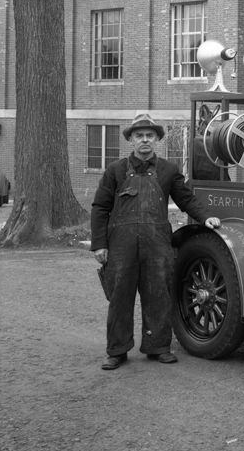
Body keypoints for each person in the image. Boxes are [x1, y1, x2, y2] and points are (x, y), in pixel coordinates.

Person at [90, 113, 222, 371]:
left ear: (157, 139)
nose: (144, 140)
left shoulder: (168, 171)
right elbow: (99, 208)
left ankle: (158, 347)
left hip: (157, 245)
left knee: (159, 295)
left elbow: (187, 199)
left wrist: (205, 217)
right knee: (120, 298)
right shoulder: (115, 171)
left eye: (150, 135)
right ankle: (116, 350)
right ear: (131, 140)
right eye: (139, 136)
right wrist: (99, 244)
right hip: (121, 247)